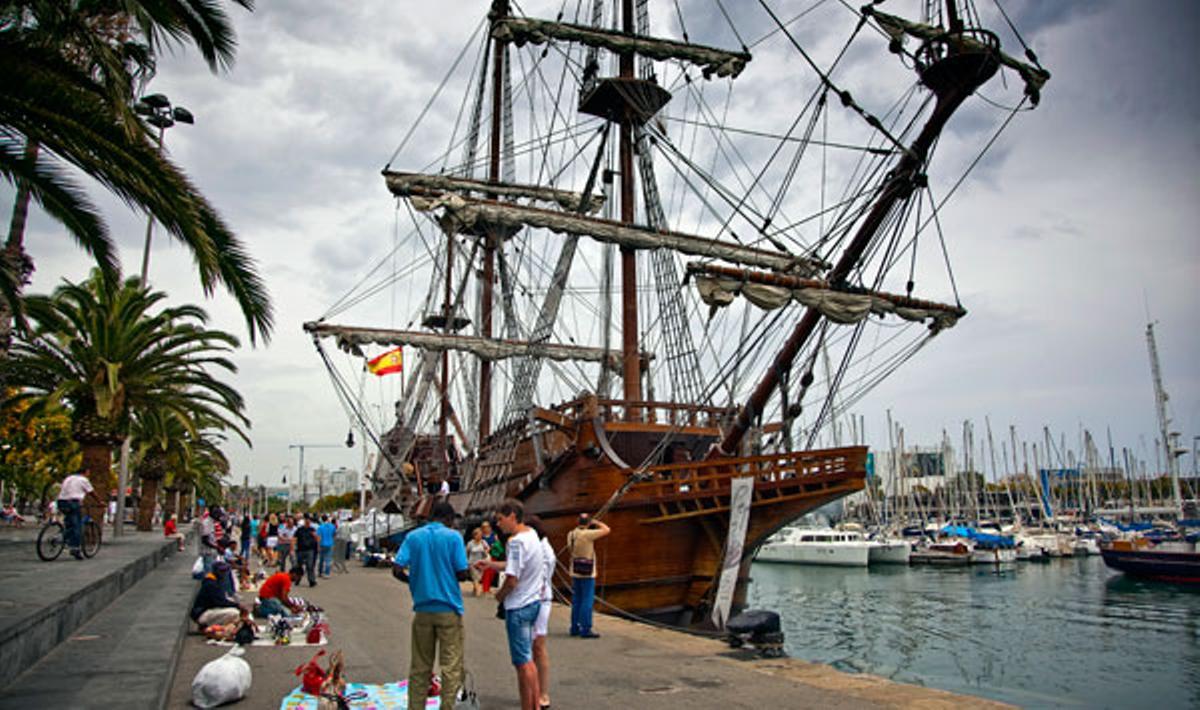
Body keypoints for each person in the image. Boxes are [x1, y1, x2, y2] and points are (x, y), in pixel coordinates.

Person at [394, 501, 469, 710]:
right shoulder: (454, 537)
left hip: (422, 609)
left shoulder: (414, 537)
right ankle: (447, 707)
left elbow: (397, 569)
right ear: (448, 519)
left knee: (420, 666)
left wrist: (415, 581)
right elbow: (462, 573)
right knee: (450, 667)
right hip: (448, 608)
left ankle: (415, 707)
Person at [476, 500, 543, 710]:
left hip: (519, 606)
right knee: (528, 658)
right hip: (533, 602)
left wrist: (500, 596)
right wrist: (492, 565)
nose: (498, 524)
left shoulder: (515, 542)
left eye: (500, 519)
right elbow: (516, 564)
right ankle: (534, 704)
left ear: (512, 516)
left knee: (522, 663)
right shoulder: (532, 535)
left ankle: (529, 706)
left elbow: (512, 578)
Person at [527, 516, 556, 710]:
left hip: (540, 600)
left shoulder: (544, 550)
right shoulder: (537, 547)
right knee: (529, 648)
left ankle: (543, 693)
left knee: (538, 646)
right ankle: (533, 691)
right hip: (531, 600)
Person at [566, 513, 610, 638]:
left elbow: (570, 549)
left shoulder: (571, 534)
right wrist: (596, 523)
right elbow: (607, 530)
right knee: (587, 600)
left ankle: (574, 627)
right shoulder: (588, 534)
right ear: (588, 523)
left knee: (576, 600)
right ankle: (586, 628)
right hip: (587, 572)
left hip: (575, 570)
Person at [191, 560, 244, 627]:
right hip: (202, 613)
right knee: (235, 613)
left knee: (234, 608)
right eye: (222, 571)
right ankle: (207, 626)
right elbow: (220, 602)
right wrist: (237, 605)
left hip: (208, 610)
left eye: (225, 571)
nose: (224, 573)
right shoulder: (211, 583)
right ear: (216, 571)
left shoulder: (216, 581)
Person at [57, 471, 95, 559]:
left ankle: (63, 537)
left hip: (61, 502)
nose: (89, 474)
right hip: (73, 503)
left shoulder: (68, 478)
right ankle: (75, 549)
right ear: (85, 472)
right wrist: (99, 501)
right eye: (88, 473)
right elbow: (92, 492)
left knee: (70, 522)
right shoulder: (83, 479)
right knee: (77, 526)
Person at [295, 515, 319, 587]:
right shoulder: (299, 529)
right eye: (306, 520)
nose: (308, 522)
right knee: (299, 566)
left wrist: (317, 546)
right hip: (300, 550)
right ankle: (297, 579)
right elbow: (295, 538)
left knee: (310, 565)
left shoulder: (312, 530)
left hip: (310, 550)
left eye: (309, 520)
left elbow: (317, 538)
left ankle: (312, 580)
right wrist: (292, 547)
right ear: (304, 521)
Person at [465, 527, 488, 597]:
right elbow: (467, 552)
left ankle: (475, 589)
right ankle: (478, 592)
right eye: (478, 535)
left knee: (478, 578)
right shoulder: (470, 543)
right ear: (474, 535)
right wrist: (466, 561)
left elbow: (487, 550)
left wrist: (485, 550)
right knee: (475, 577)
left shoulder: (483, 542)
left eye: (481, 535)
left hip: (481, 563)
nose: (480, 536)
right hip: (472, 563)